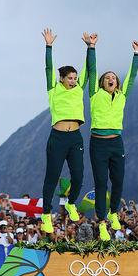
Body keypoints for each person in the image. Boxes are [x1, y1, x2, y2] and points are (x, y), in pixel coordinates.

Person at [84, 32, 138, 241]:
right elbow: (91, 70)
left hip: (116, 142)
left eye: (113, 77)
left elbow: (132, 77)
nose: (111, 78)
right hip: (97, 142)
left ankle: (114, 213)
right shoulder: (94, 94)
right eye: (107, 77)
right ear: (101, 82)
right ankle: (101, 223)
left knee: (118, 180)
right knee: (100, 182)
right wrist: (91, 48)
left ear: (117, 83)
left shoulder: (122, 95)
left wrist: (136, 54)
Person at [40, 28, 89, 234]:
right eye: (70, 78)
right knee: (52, 176)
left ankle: (71, 203)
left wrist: (90, 48)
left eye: (75, 78)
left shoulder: (79, 88)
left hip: (75, 137)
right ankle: (46, 215)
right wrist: (49, 46)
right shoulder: (54, 88)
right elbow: (48, 67)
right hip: (58, 137)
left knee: (78, 175)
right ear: (62, 78)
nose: (74, 81)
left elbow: (90, 70)